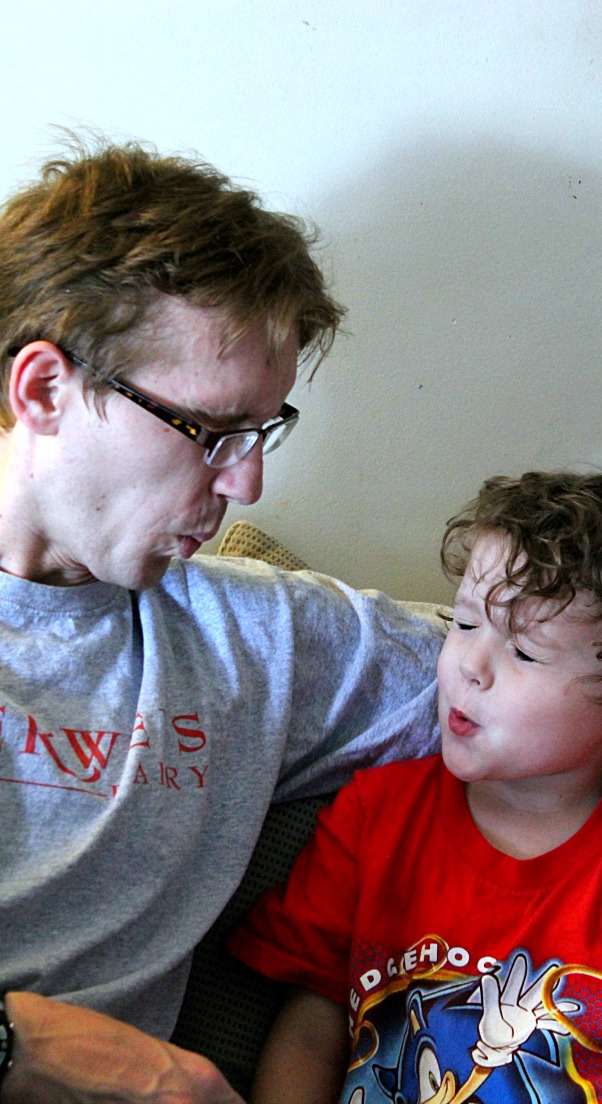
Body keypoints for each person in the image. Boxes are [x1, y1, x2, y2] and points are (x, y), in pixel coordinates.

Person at [0, 136, 445, 1102]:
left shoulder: (255, 637)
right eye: (209, 432)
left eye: (262, 433)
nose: (246, 485)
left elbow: (584, 669)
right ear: (43, 390)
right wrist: (24, 1046)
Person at [230, 471, 602, 1104]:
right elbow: (310, 1034)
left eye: (524, 653)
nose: (469, 665)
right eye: (466, 624)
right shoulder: (373, 815)